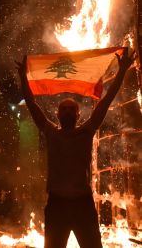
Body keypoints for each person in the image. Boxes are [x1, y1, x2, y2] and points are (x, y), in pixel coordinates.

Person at [16, 48, 135, 248]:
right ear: (58, 114)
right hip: (57, 206)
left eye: (72, 109)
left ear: (78, 115)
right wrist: (23, 78)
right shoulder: (51, 132)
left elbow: (106, 101)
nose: (68, 112)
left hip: (83, 205)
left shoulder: (86, 132)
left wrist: (122, 71)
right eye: (64, 109)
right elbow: (31, 103)